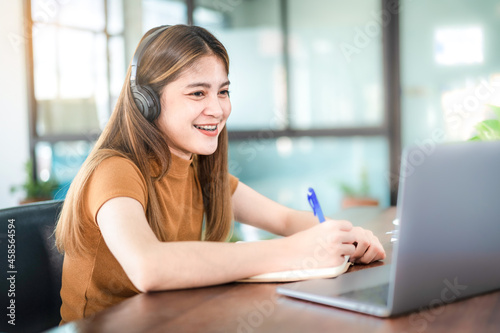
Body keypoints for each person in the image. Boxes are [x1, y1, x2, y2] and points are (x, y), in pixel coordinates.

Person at [55, 24, 385, 324]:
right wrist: (296, 250)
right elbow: (148, 267)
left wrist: (346, 236)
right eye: (198, 93)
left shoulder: (198, 169)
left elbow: (285, 219)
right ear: (147, 102)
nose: (218, 108)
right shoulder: (115, 170)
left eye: (223, 91)